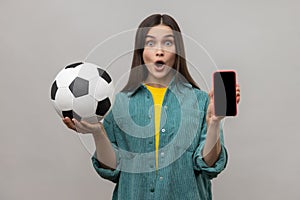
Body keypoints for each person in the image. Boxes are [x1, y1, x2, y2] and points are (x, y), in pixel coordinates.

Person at [63, 14, 241, 200]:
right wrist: (98, 132)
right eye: (150, 43)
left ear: (178, 51)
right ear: (140, 51)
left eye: (168, 43)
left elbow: (209, 165)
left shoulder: (202, 101)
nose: (159, 51)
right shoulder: (118, 104)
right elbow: (111, 169)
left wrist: (214, 122)